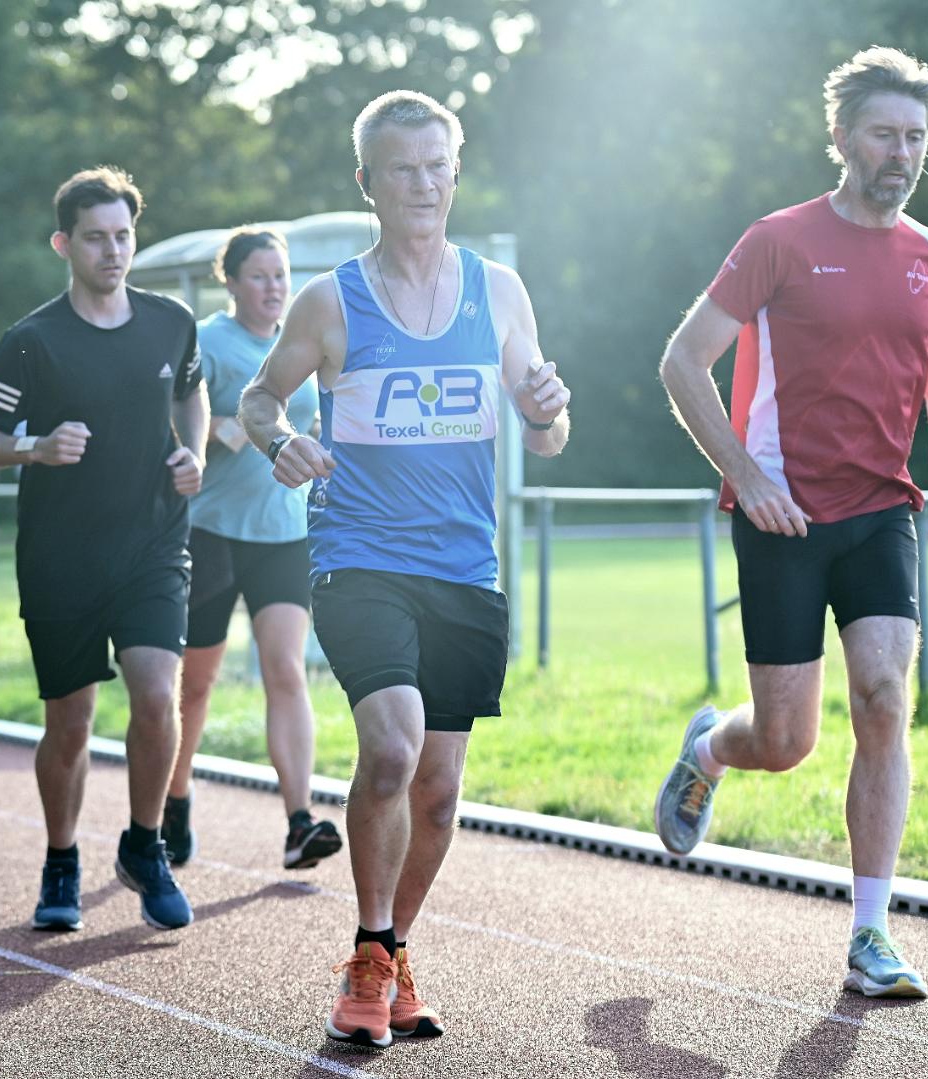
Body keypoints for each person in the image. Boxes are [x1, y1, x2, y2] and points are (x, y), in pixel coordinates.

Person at [240, 91, 570, 1047]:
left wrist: (549, 410)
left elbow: (547, 436)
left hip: (465, 567)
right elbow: (259, 400)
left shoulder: (498, 291)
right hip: (361, 557)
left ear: (455, 172)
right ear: (368, 183)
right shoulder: (329, 300)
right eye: (402, 169)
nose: (423, 184)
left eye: (437, 166)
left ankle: (391, 952)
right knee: (390, 747)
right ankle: (368, 952)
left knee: (438, 788)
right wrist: (282, 442)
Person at [654, 46, 928, 1000]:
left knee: (885, 698)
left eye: (917, 136)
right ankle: (709, 748)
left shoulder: (927, 257)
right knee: (786, 741)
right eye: (885, 134)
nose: (903, 153)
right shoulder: (778, 239)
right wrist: (746, 476)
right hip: (782, 520)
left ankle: (870, 934)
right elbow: (683, 361)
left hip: (882, 509)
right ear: (843, 138)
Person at [0, 166, 207, 933]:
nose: (113, 251)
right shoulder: (31, 341)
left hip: (153, 543)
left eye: (123, 236)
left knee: (157, 695)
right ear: (64, 244)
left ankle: (144, 844)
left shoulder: (171, 321)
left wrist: (194, 451)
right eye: (96, 238)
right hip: (61, 556)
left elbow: (190, 391)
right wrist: (33, 446)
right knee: (70, 721)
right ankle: (61, 857)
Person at [163, 227, 341, 873]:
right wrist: (224, 429)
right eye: (259, 276)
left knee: (286, 669)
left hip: (284, 533)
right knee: (196, 683)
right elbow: (172, 430)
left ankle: (299, 820)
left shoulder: (300, 342)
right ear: (231, 282)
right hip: (211, 533)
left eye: (280, 275)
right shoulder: (208, 342)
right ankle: (173, 796)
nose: (273, 287)